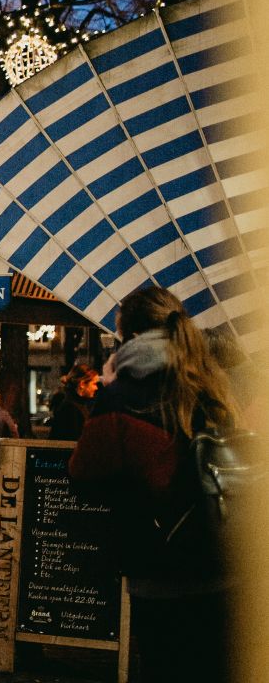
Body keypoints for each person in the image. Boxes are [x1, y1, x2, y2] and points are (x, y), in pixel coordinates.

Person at [69, 286, 237, 683]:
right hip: (227, 556)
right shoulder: (213, 383)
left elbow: (82, 475)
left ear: (126, 335)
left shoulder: (123, 396)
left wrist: (109, 392)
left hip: (158, 566)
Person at [48, 363, 99, 441]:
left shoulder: (75, 405)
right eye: (94, 384)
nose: (96, 388)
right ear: (82, 384)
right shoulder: (71, 408)